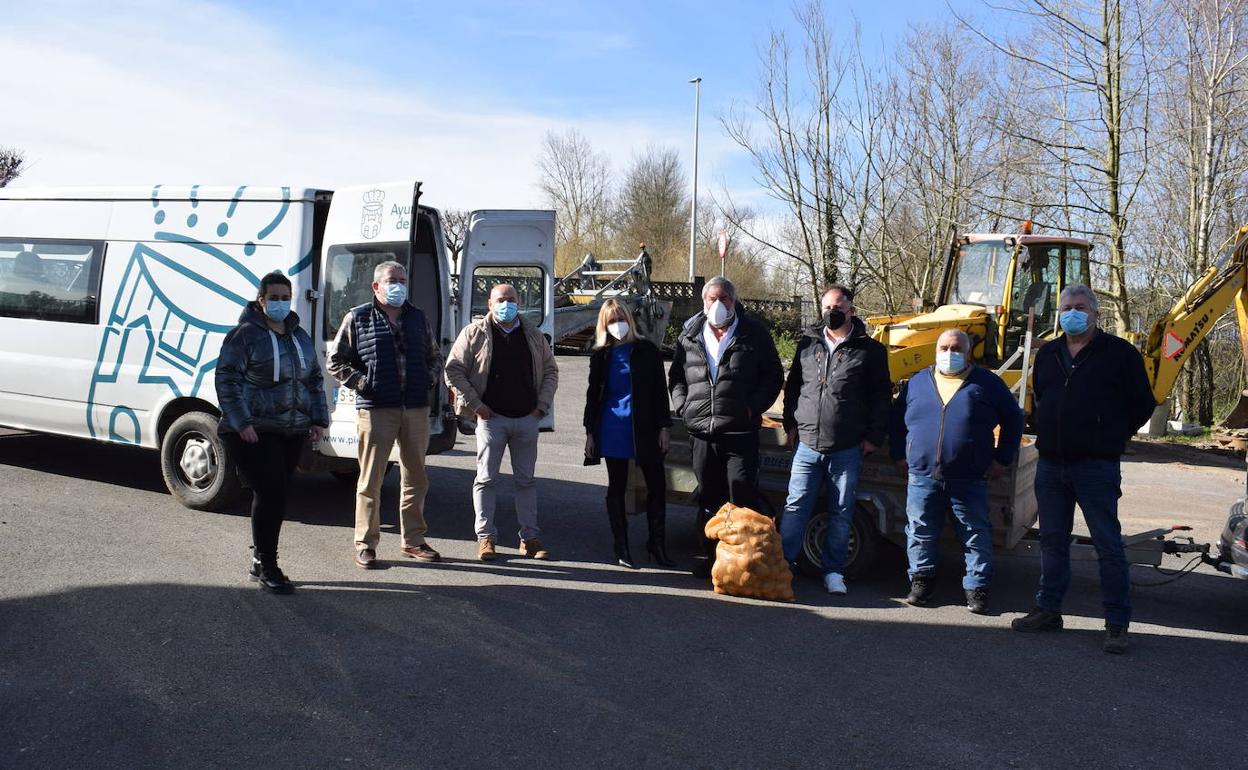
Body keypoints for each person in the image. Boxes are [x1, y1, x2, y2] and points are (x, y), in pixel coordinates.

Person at [1011, 284, 1156, 654]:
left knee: (1108, 545)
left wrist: (1110, 435)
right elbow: (1041, 397)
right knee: (1052, 541)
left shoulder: (1119, 353)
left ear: (1094, 314)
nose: (1071, 313)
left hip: (1096, 466)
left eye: (1079, 307)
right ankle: (1048, 609)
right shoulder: (1049, 353)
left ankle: (1117, 622)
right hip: (1052, 465)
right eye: (1066, 307)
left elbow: (1142, 404)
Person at [891, 329, 1024, 613]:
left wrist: (1002, 458)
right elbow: (897, 421)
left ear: (968, 353)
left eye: (956, 349)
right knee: (920, 531)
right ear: (936, 351)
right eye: (944, 348)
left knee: (975, 533)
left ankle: (977, 588)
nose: (949, 354)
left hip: (969, 476)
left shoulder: (987, 383)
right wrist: (898, 455)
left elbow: (1014, 419)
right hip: (922, 474)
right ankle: (921, 582)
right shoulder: (917, 383)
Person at [216, 270, 329, 594]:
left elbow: (313, 380)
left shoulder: (299, 336)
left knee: (275, 496)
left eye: (285, 298)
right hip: (255, 430)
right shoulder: (244, 335)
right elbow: (227, 379)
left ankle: (259, 559)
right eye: (273, 298)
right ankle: (268, 565)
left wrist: (318, 418)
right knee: (271, 493)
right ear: (261, 300)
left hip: (292, 429)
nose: (280, 303)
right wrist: (242, 422)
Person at [328, 261, 444, 570]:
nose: (399, 285)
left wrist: (429, 379)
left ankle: (414, 540)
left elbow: (435, 356)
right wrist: (363, 383)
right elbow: (335, 360)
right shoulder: (358, 317)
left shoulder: (418, 318)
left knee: (416, 477)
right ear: (376, 286)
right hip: (377, 409)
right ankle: (365, 543)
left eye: (402, 280)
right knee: (371, 479)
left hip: (416, 408)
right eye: (392, 280)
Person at [779, 284, 892, 595]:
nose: (832, 312)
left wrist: (873, 437)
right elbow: (792, 391)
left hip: (847, 447)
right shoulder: (807, 345)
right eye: (827, 307)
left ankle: (833, 571)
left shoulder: (870, 351)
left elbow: (882, 397)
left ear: (851, 310)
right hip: (806, 445)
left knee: (842, 511)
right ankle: (783, 564)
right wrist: (791, 424)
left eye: (838, 306)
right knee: (795, 506)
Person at [669, 276, 784, 578]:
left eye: (725, 299)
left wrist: (752, 407)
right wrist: (683, 405)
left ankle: (744, 564)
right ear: (703, 301)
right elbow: (676, 377)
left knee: (741, 495)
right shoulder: (689, 335)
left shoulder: (754, 333)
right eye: (712, 298)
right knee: (709, 497)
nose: (718, 304)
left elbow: (772, 376)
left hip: (740, 433)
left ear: (734, 301)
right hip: (702, 433)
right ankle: (712, 559)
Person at [445, 283, 560, 561]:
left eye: (511, 299)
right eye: (500, 299)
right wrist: (477, 406)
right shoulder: (474, 333)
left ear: (519, 303)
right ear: (489, 303)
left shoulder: (533, 334)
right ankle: (486, 537)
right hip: (491, 419)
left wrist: (540, 408)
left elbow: (550, 372)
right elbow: (453, 370)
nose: (505, 304)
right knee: (485, 479)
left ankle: (529, 538)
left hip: (526, 420)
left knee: (526, 481)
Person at [583, 298, 675, 569]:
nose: (617, 325)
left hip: (645, 427)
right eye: (611, 321)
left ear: (630, 320)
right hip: (613, 427)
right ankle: (621, 546)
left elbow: (660, 391)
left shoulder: (647, 350)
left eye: (621, 319)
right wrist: (590, 431)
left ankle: (656, 544)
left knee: (657, 486)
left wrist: (664, 427)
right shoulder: (601, 356)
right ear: (604, 325)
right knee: (617, 487)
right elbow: (593, 396)